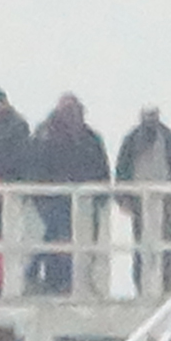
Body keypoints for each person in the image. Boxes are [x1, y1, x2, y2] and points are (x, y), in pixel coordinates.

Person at [28, 94, 110, 295]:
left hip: (85, 203)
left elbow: (102, 170)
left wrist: (100, 197)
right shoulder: (46, 136)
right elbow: (35, 167)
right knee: (58, 243)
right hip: (56, 200)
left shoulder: (90, 138)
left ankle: (73, 282)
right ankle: (54, 282)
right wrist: (42, 198)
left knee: (80, 244)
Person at [114, 107, 171, 291]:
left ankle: (167, 283)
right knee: (141, 243)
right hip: (139, 200)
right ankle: (141, 284)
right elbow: (122, 169)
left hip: (165, 199)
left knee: (166, 243)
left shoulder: (168, 138)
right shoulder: (132, 140)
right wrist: (123, 197)